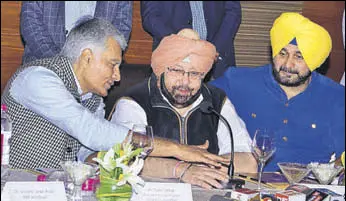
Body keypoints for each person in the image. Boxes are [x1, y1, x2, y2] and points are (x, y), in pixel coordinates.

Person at [1, 18, 229, 169]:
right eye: (113, 64)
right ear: (87, 56)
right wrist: (177, 150)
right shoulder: (37, 79)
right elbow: (92, 132)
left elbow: (88, 153)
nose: (118, 76)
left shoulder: (94, 99)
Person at [109, 29, 257, 189]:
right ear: (160, 70)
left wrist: (202, 168)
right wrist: (181, 170)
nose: (185, 82)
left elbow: (249, 162)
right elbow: (124, 159)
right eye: (177, 70)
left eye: (194, 73)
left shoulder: (217, 101)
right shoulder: (134, 101)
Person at [210, 12, 345, 171]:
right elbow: (193, 100)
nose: (288, 64)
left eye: (299, 57)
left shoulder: (337, 98)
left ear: (315, 61)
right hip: (245, 184)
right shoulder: (237, 81)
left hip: (307, 188)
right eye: (282, 53)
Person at [140, 1, 241, 79]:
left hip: (218, 61)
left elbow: (233, 12)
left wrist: (214, 49)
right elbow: (150, 17)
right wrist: (180, 43)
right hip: (173, 61)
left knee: (221, 104)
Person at [20, 1, 133, 63]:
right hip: (44, 65)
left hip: (95, 72)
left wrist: (92, 66)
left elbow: (120, 29)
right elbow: (31, 23)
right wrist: (62, 65)